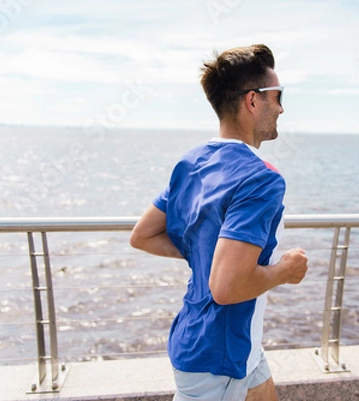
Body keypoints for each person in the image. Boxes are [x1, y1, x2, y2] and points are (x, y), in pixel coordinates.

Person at [130, 43, 308, 401]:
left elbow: (144, 235)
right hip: (218, 358)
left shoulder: (192, 163)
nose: (282, 107)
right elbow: (226, 288)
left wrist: (209, 253)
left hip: (235, 344)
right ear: (253, 101)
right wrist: (285, 271)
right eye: (277, 96)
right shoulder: (261, 179)